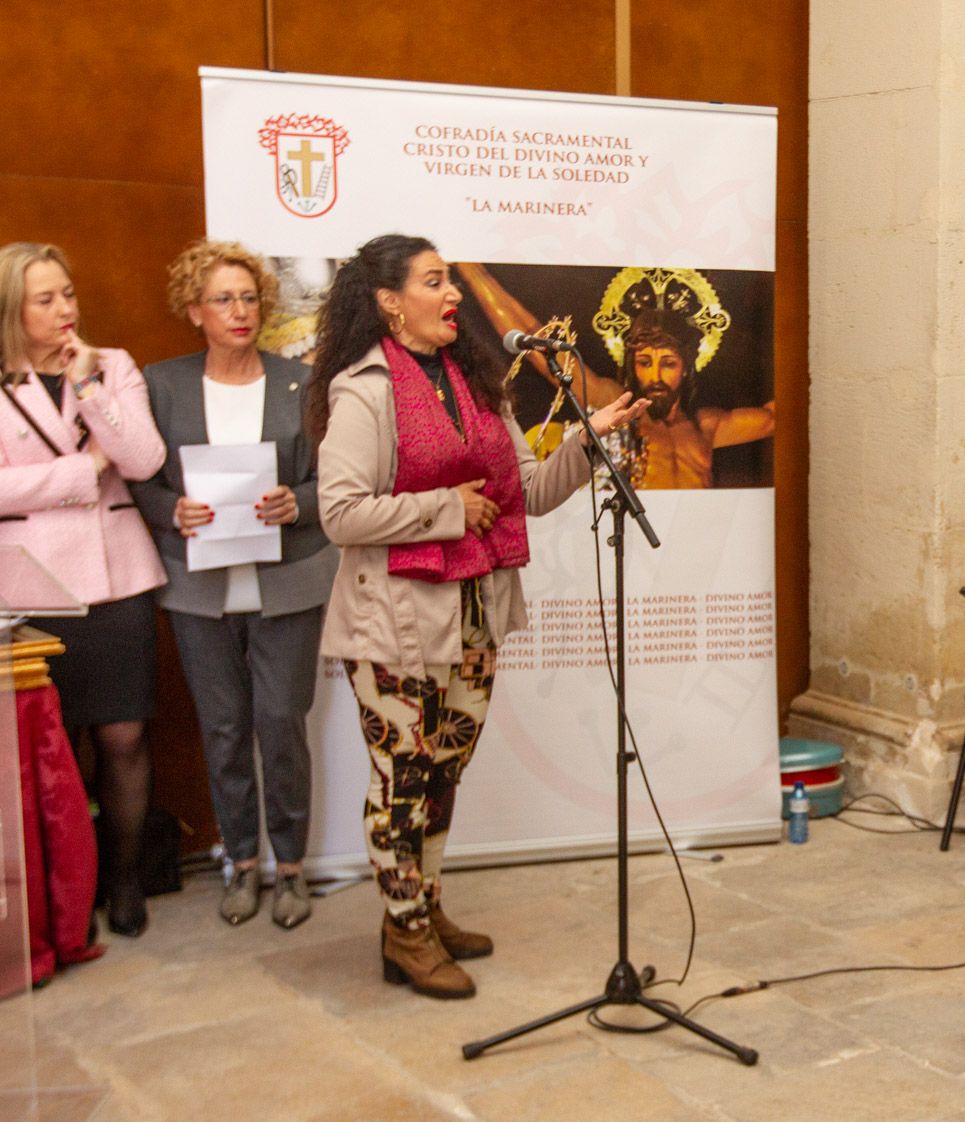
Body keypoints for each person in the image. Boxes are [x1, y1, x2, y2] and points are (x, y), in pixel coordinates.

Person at [309, 234, 641, 999]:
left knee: (443, 771)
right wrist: (446, 508)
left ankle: (421, 906)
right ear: (390, 300)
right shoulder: (364, 389)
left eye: (452, 279)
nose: (453, 293)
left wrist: (594, 442)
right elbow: (339, 513)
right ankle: (404, 929)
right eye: (434, 281)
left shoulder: (476, 382)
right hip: (392, 622)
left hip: (475, 614)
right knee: (402, 777)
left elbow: (526, 490)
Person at [131, 240, 337, 929]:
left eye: (249, 296)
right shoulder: (161, 384)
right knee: (223, 730)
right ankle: (241, 864)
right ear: (195, 310)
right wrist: (171, 509)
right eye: (223, 298)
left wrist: (297, 504)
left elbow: (329, 479)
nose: (240, 310)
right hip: (199, 587)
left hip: (289, 582)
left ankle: (291, 869)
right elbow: (140, 478)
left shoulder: (301, 382)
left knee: (281, 725)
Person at [0, 242, 165, 938]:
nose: (66, 309)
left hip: (119, 580)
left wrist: (93, 389)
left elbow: (144, 458)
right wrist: (79, 474)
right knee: (54, 748)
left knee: (124, 736)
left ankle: (125, 881)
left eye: (68, 293)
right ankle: (69, 894)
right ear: (13, 308)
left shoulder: (113, 364)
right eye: (47, 299)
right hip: (33, 587)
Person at [459, 261, 773, 488]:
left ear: (687, 366)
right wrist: (473, 271)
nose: (655, 376)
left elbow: (779, 417)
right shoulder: (618, 407)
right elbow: (535, 340)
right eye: (644, 362)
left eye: (668, 363)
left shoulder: (707, 426)